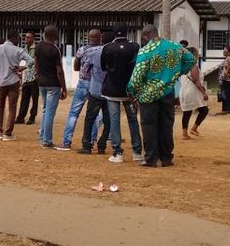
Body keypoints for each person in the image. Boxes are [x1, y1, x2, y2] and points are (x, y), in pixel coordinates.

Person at [128, 24, 197, 168]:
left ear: (146, 35)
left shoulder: (146, 51)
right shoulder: (174, 46)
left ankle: (151, 158)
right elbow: (191, 60)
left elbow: (136, 76)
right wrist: (177, 73)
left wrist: (131, 91)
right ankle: (166, 158)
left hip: (148, 94)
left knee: (149, 125)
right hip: (168, 92)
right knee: (166, 124)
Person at [100, 23, 143, 163]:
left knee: (114, 120)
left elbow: (103, 67)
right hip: (130, 91)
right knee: (133, 120)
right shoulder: (135, 47)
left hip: (111, 90)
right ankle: (137, 152)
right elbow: (138, 66)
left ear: (113, 33)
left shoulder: (107, 47)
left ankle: (117, 153)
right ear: (127, 32)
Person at [57, 30, 102, 151]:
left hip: (83, 83)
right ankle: (91, 141)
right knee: (95, 114)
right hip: (97, 84)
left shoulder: (82, 49)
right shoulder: (103, 50)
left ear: (88, 37)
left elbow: (76, 67)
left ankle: (66, 142)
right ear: (100, 37)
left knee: (73, 113)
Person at [0, 31, 30, 141]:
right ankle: (7, 133)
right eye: (18, 38)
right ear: (14, 38)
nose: (19, 40)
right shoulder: (18, 50)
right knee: (12, 107)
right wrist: (21, 68)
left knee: (0, 106)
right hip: (13, 82)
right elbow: (31, 60)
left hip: (1, 82)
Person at [77, 32, 112, 155]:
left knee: (90, 119)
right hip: (109, 92)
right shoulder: (114, 54)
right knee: (108, 120)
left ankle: (87, 146)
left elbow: (84, 69)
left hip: (95, 90)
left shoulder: (95, 52)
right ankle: (102, 146)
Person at [35, 25, 67, 148]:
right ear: (55, 35)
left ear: (44, 34)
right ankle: (47, 140)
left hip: (42, 83)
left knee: (45, 110)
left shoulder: (39, 46)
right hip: (53, 84)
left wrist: (38, 76)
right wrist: (63, 87)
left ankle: (43, 136)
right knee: (50, 113)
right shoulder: (55, 50)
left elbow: (36, 63)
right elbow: (59, 71)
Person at [179, 47, 209, 139]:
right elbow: (196, 81)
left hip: (184, 90)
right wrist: (203, 93)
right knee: (203, 110)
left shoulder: (183, 65)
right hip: (192, 91)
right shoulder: (193, 65)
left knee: (187, 112)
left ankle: (188, 132)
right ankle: (190, 130)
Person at [16, 31, 39, 125]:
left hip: (35, 76)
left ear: (33, 38)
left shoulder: (37, 49)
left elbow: (35, 61)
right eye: (25, 37)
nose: (26, 39)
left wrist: (24, 67)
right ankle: (21, 117)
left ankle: (32, 117)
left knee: (34, 99)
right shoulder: (24, 49)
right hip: (26, 77)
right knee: (24, 99)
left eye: (28, 37)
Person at [217, 45, 230, 115]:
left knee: (225, 94)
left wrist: (222, 79)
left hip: (226, 79)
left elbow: (225, 70)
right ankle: (228, 109)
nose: (223, 51)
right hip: (228, 79)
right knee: (228, 94)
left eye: (225, 50)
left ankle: (225, 110)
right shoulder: (229, 59)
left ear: (229, 51)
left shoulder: (228, 59)